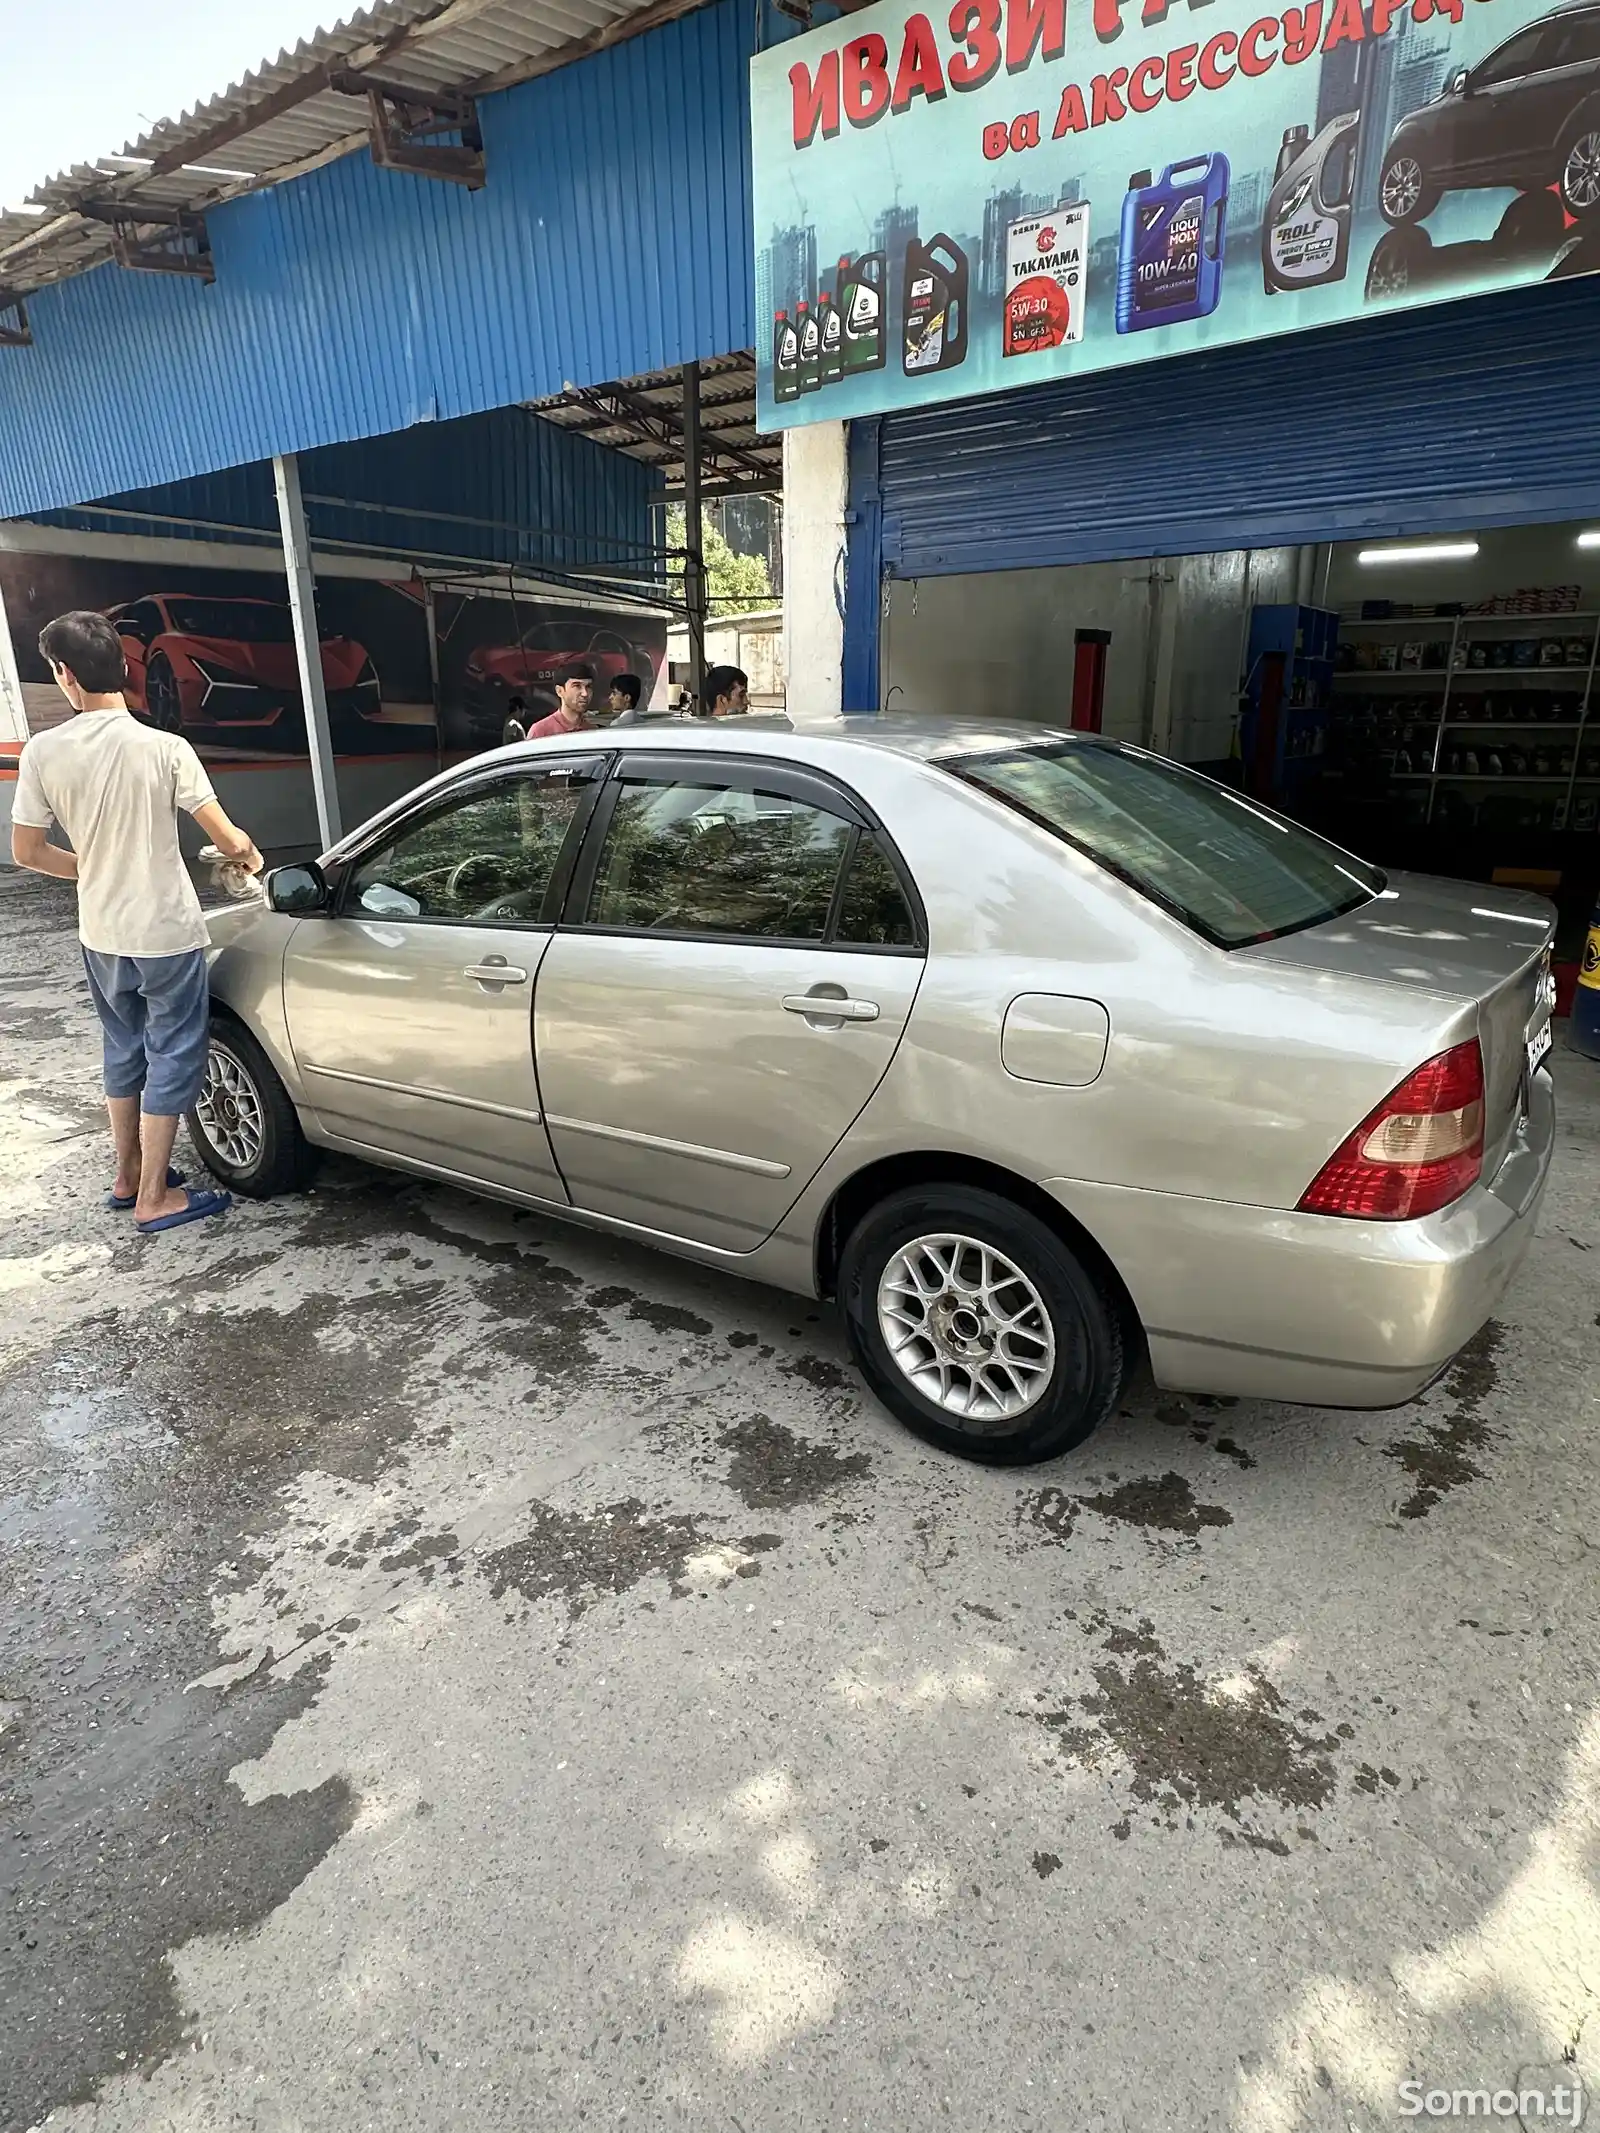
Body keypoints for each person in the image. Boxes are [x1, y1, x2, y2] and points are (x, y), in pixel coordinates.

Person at [10, 610, 262, 1235]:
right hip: (165, 931)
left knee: (123, 1049)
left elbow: (27, 851)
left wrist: (93, 868)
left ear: (65, 676)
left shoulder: (44, 751)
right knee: (174, 1052)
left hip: (102, 931)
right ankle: (155, 1196)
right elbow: (226, 837)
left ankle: (126, 1178)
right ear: (124, 669)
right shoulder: (164, 748)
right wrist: (247, 855)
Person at [522, 665, 595, 738]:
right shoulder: (541, 731)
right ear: (559, 691)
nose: (585, 693)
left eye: (588, 686)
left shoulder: (592, 731)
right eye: (577, 686)